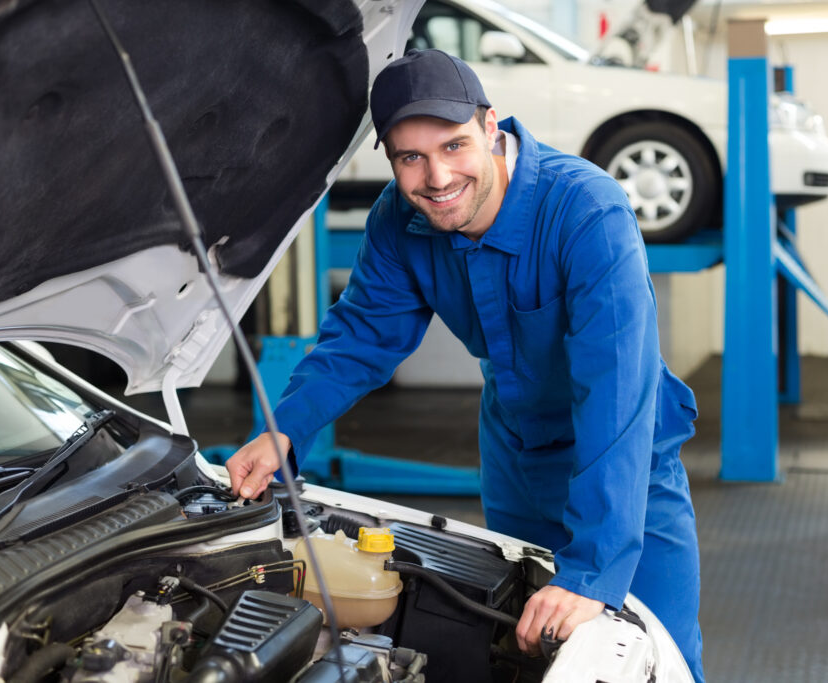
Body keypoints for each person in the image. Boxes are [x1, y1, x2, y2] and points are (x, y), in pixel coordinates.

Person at [227, 48, 703, 682]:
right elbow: (362, 334)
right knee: (519, 652)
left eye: (453, 146)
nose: (436, 177)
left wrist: (593, 571)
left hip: (629, 468)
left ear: (491, 127)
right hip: (517, 459)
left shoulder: (586, 212)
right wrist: (285, 428)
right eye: (410, 158)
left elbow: (616, 393)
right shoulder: (400, 222)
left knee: (656, 653)